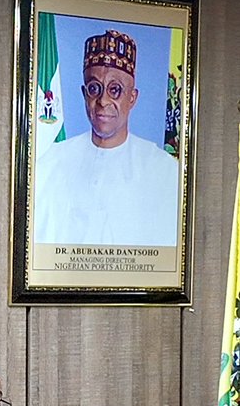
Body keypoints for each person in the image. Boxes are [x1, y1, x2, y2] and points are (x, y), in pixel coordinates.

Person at [34, 29, 180, 246]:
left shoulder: (163, 170)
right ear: (85, 94)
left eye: (115, 90)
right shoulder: (51, 163)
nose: (103, 100)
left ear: (132, 98)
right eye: (95, 88)